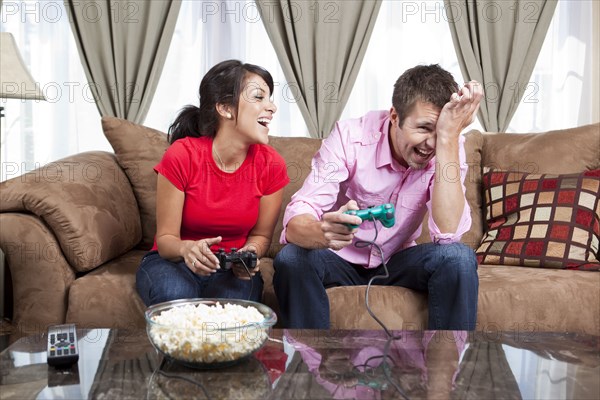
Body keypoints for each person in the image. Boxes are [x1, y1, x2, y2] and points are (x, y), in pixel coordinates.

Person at [274, 64, 482, 329]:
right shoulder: (350, 137)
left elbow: (448, 233)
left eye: (438, 131)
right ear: (394, 116)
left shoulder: (448, 144)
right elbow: (297, 218)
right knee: (291, 259)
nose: (430, 143)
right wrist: (322, 231)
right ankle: (314, 366)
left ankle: (445, 369)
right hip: (339, 257)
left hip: (397, 260)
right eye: (424, 128)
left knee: (459, 259)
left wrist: (448, 138)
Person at [136, 60, 290, 306]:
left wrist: (249, 254)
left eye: (269, 99)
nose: (271, 107)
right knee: (176, 296)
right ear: (225, 108)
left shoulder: (272, 165)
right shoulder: (182, 155)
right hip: (174, 263)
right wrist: (186, 249)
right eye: (259, 97)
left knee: (234, 312)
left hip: (231, 269)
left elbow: (261, 236)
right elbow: (166, 240)